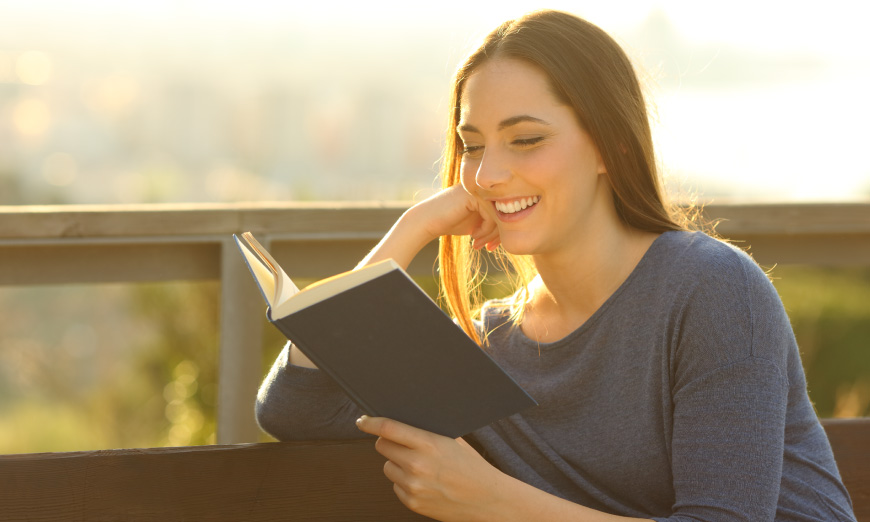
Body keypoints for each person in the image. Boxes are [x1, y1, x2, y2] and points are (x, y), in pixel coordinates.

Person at [255, 9, 856, 522]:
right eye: (472, 145)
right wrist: (410, 231)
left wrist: (495, 502)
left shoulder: (713, 291)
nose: (487, 175)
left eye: (526, 139)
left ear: (610, 146)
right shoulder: (492, 342)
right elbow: (295, 409)